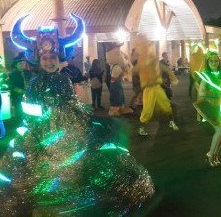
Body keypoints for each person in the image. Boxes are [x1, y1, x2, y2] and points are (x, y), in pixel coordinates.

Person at [0, 14, 154, 215]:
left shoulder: (64, 79)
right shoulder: (34, 83)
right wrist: (42, 121)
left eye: (53, 58)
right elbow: (29, 109)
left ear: (59, 59)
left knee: (84, 158)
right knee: (24, 167)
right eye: (45, 58)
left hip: (66, 130)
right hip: (39, 132)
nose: (49, 62)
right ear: (39, 59)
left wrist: (72, 116)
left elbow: (71, 103)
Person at [193, 52, 221, 167]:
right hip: (210, 106)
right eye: (211, 61)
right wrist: (215, 93)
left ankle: (215, 155)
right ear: (207, 62)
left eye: (216, 61)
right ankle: (210, 155)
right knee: (219, 130)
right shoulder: (206, 76)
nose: (214, 63)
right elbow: (201, 93)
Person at [134, 38, 179, 136]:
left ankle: (171, 122)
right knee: (147, 111)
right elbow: (133, 70)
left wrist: (173, 77)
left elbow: (166, 69)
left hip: (158, 88)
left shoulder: (154, 62)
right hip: (148, 90)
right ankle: (141, 129)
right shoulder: (141, 63)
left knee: (166, 106)